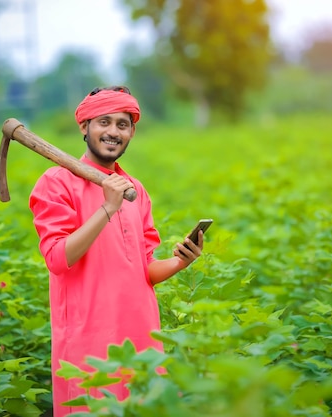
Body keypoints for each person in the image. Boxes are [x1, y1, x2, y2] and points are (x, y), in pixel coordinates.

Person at [28, 86, 204, 416]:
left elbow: (146, 269)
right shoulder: (57, 182)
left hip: (141, 337)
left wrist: (181, 261)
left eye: (122, 124)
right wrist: (107, 208)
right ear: (84, 127)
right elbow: (57, 258)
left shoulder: (135, 190)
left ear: (132, 131)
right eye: (103, 122)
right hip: (88, 340)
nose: (113, 132)